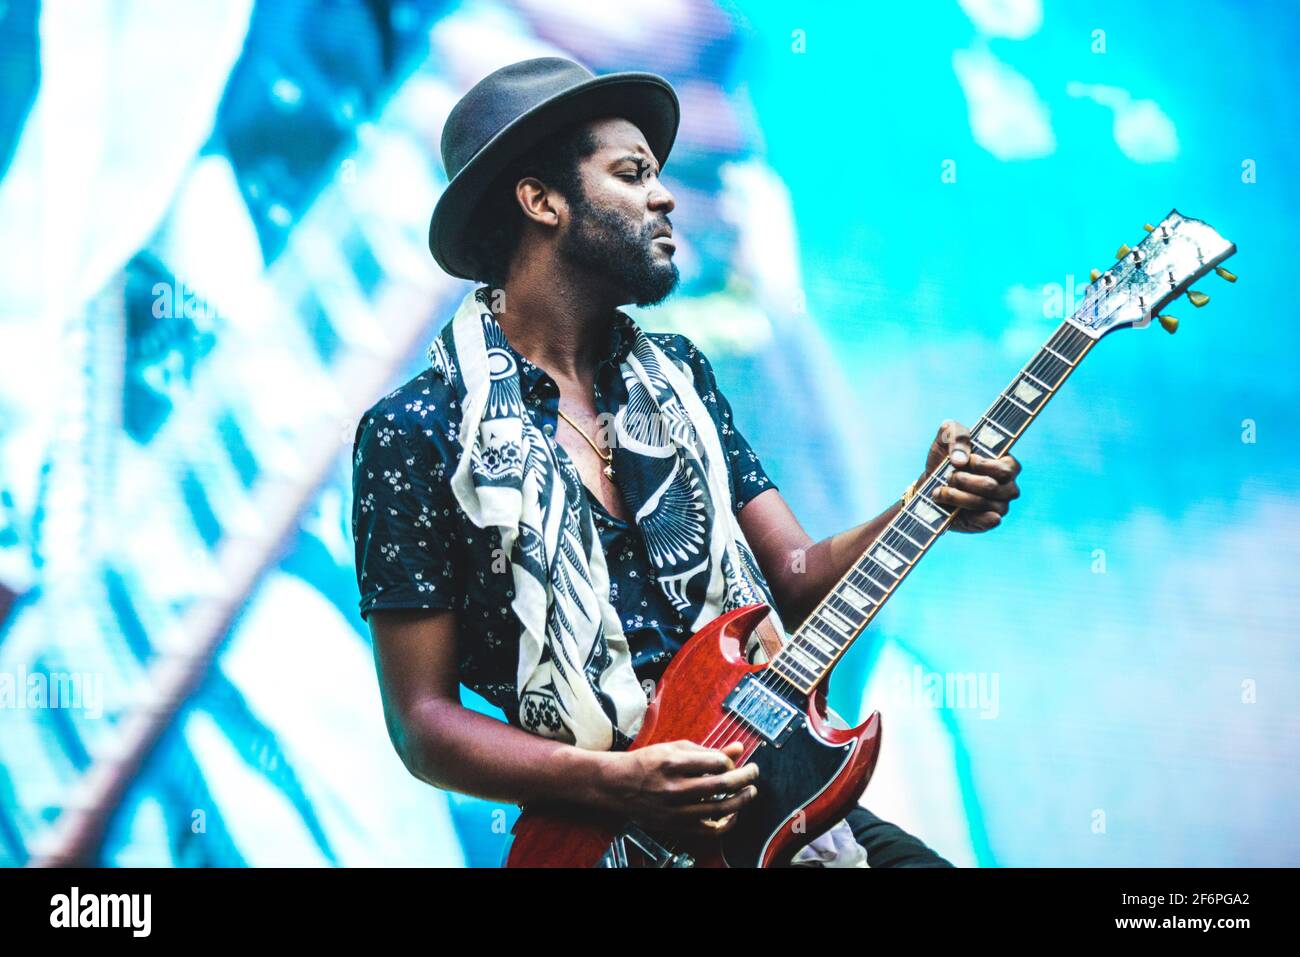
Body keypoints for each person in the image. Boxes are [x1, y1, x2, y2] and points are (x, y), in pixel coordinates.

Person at [352, 57, 1021, 867]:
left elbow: (801, 575)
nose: (664, 196)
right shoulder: (415, 430)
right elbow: (421, 723)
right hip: (598, 838)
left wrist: (925, 500)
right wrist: (615, 781)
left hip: (776, 802)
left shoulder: (683, 378)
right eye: (633, 173)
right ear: (541, 201)